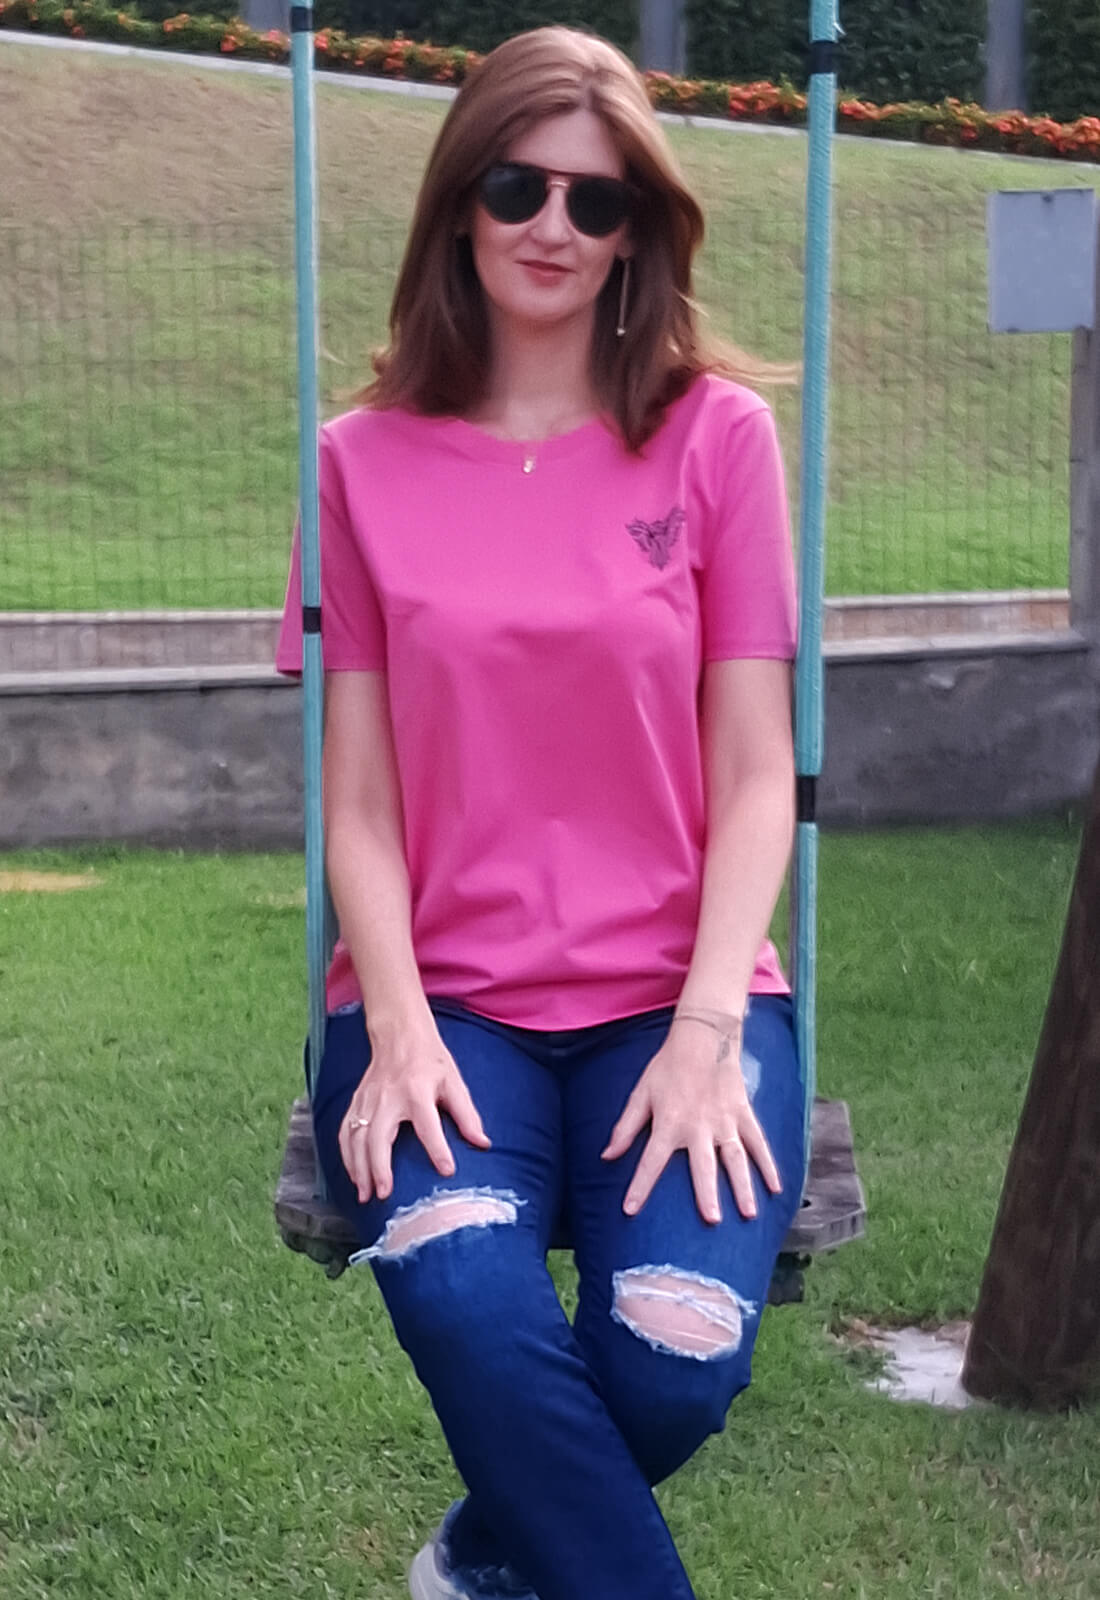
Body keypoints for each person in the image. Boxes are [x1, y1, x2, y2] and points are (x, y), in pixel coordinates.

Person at [277, 25, 804, 1600]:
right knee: (465, 1299)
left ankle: (484, 1561)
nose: (554, 226)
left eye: (598, 199)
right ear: (461, 203)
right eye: (518, 186)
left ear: (639, 229)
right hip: (443, 1001)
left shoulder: (718, 441)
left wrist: (709, 1030)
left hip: (674, 996)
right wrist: (397, 1029)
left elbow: (756, 772)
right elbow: (357, 804)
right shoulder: (357, 466)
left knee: (675, 1353)